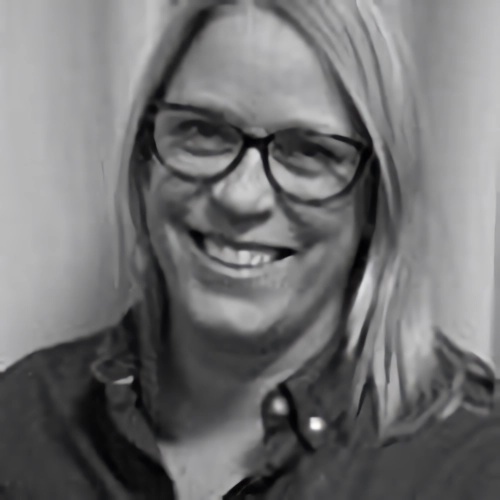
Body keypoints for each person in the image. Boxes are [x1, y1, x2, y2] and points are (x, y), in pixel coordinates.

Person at [1, 0, 499, 498]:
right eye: (202, 131)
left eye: (308, 151)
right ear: (145, 159)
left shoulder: (471, 466)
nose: (240, 196)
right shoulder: (22, 426)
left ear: (376, 199)